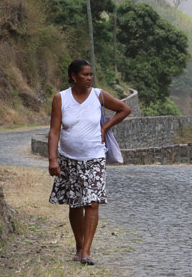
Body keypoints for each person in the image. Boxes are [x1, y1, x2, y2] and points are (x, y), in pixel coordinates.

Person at [48, 60, 131, 265]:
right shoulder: (61, 98)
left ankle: (86, 251)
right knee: (75, 204)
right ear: (73, 76)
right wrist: (52, 159)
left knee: (92, 203)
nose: (89, 78)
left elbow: (124, 109)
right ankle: (78, 245)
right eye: (85, 74)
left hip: (94, 157)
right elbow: (54, 131)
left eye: (91, 74)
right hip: (69, 159)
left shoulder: (98, 95)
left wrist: (105, 128)